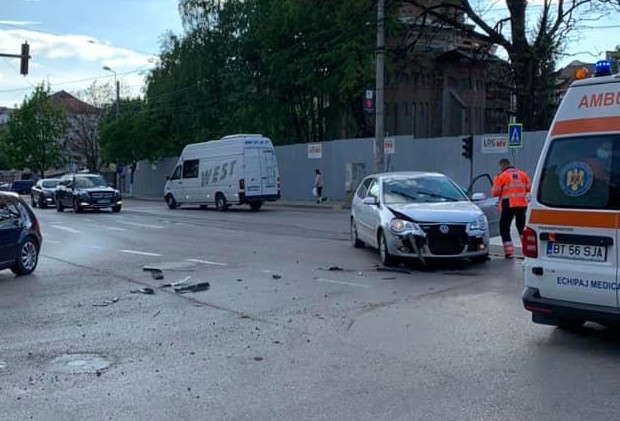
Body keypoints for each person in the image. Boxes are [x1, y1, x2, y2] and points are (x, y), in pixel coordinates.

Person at [491, 158, 531, 259]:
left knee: (504, 227)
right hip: (522, 204)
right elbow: (528, 188)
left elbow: (495, 192)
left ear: (502, 166)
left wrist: (496, 180)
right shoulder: (523, 174)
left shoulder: (501, 176)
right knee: (521, 228)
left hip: (508, 204)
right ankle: (527, 251)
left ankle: (509, 252)